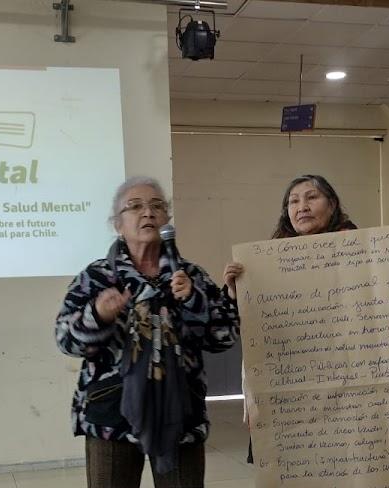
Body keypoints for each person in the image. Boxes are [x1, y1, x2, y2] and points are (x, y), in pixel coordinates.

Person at [54, 176, 239, 488]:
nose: (148, 213)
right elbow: (65, 341)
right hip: (111, 415)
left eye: (157, 206)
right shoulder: (97, 277)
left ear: (167, 218)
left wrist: (194, 300)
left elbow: (224, 338)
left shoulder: (190, 275)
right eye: (135, 206)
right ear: (118, 224)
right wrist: (97, 316)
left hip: (181, 414)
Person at [218, 174, 357, 463]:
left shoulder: (361, 250)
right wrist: (234, 292)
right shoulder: (265, 262)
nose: (302, 207)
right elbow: (233, 324)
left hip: (345, 386)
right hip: (288, 388)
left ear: (332, 205)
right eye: (293, 201)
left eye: (311, 197)